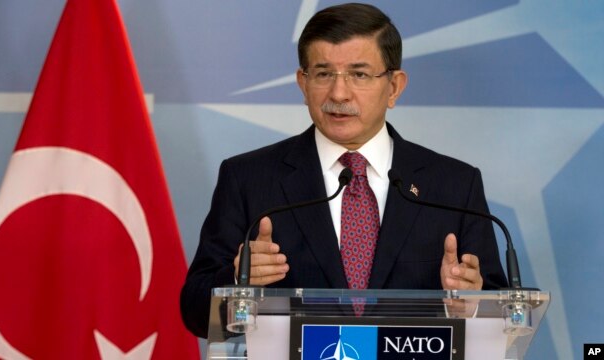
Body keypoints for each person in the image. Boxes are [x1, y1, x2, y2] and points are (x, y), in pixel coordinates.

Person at [180, 2, 508, 338]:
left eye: (359, 74)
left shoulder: (453, 186)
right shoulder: (249, 178)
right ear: (302, 83)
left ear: (394, 86)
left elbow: (501, 315)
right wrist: (238, 282)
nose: (339, 93)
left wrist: (472, 306)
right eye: (323, 74)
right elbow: (194, 312)